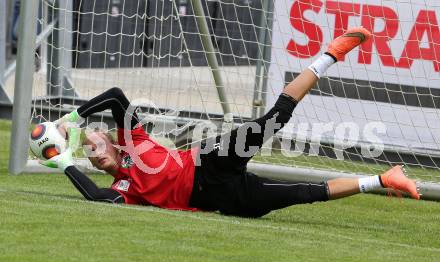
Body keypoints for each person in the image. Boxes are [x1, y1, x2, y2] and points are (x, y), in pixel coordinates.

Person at [42, 27, 420, 218]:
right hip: (221, 199)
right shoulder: (123, 187)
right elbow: (96, 197)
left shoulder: (133, 137)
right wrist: (65, 163)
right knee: (305, 193)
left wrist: (70, 119)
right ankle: (385, 179)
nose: (94, 155)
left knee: (273, 119)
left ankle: (330, 54)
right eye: (90, 156)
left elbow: (113, 95)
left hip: (209, 160)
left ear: (113, 139)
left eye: (95, 145)